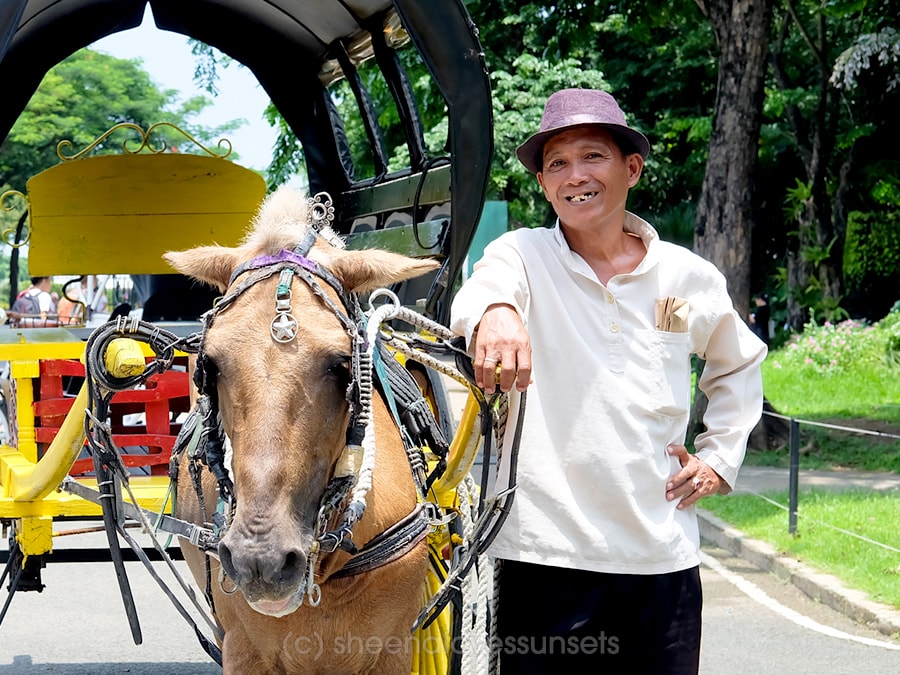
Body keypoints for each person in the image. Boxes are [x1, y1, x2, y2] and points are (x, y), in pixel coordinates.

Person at [450, 88, 767, 673]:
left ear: (632, 168)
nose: (576, 176)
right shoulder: (521, 255)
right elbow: (482, 291)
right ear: (544, 185)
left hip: (660, 555)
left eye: (593, 156)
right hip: (542, 555)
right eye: (557, 165)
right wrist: (496, 313)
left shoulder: (683, 278)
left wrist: (719, 459)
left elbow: (738, 361)